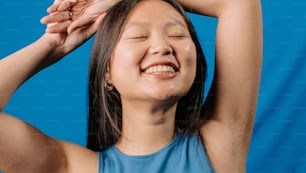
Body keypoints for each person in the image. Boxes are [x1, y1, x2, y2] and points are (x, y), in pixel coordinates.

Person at [0, 0, 262, 172]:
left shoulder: (219, 144)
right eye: (139, 36)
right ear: (107, 73)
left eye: (177, 35)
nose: (162, 46)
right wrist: (52, 47)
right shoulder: (72, 167)